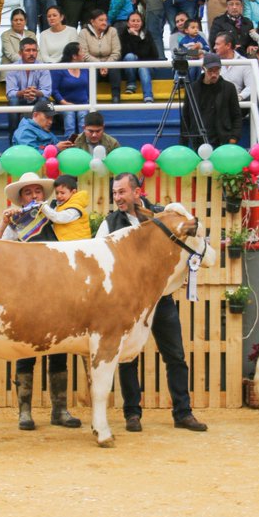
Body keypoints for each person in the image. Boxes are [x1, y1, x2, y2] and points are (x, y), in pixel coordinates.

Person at [96, 172, 207, 433]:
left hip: (161, 298)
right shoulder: (109, 222)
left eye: (122, 192)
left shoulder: (163, 215)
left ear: (137, 192)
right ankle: (132, 414)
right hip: (129, 302)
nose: (117, 198)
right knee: (127, 358)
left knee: (175, 355)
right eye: (114, 193)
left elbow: (196, 233)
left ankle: (183, 412)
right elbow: (98, 256)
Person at [0, 172, 83, 431]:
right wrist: (4, 222)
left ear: (43, 195)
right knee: (25, 351)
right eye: (28, 193)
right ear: (21, 198)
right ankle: (25, 412)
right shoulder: (16, 222)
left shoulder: (58, 213)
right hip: (27, 293)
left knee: (60, 351)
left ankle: (60, 410)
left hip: (58, 290)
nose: (33, 196)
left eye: (37, 192)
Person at [182, 53, 242, 148]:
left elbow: (237, 115)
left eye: (217, 70)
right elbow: (186, 116)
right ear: (203, 68)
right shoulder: (192, 88)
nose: (214, 74)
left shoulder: (229, 88)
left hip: (223, 140)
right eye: (210, 70)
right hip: (199, 140)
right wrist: (183, 144)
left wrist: (233, 138)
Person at [79, 9, 122, 102]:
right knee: (89, 70)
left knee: (115, 68)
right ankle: (90, 99)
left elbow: (116, 52)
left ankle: (116, 97)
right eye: (101, 20)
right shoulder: (83, 33)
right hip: (92, 64)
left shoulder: (112, 31)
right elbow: (84, 54)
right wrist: (99, 64)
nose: (104, 23)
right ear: (92, 22)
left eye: (105, 20)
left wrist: (106, 65)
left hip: (109, 64)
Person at [52, 41, 90, 135]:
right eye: (81, 51)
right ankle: (69, 145)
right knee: (69, 114)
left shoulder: (86, 69)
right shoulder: (59, 69)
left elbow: (89, 88)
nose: (84, 53)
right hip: (64, 104)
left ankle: (83, 144)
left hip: (83, 104)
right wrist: (65, 103)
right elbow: (54, 90)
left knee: (83, 114)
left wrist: (87, 102)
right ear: (74, 56)